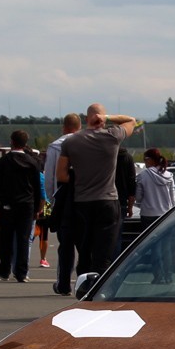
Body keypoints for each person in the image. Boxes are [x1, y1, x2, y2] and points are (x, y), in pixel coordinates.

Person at [56, 104, 138, 288]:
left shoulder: (71, 142)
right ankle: (99, 287)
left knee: (85, 250)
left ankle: (83, 285)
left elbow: (61, 175)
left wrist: (79, 177)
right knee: (104, 252)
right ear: (101, 118)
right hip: (107, 200)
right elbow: (132, 121)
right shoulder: (112, 136)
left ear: (87, 119)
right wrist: (107, 117)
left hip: (82, 201)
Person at [0, 130, 42, 283]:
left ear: (12, 142)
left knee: (5, 239)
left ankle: (4, 270)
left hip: (8, 205)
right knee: (23, 239)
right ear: (25, 143)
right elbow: (37, 187)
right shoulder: (32, 162)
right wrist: (37, 208)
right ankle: (21, 272)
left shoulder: (4, 161)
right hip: (27, 205)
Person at [45, 113, 81, 295]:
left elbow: (50, 176)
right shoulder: (87, 142)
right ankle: (84, 283)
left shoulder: (55, 146)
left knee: (65, 245)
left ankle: (63, 283)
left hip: (63, 199)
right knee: (85, 246)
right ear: (79, 127)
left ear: (64, 127)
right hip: (84, 198)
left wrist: (52, 200)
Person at [135, 148, 175, 283]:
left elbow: (138, 197)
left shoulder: (143, 175)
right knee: (166, 247)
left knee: (154, 247)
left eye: (145, 159)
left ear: (150, 160)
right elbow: (173, 198)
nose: (144, 162)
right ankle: (169, 276)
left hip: (148, 215)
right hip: (166, 214)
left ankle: (158, 276)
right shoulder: (169, 175)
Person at [113, 145, 137, 259]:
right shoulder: (128, 157)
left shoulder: (106, 154)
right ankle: (115, 262)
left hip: (104, 198)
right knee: (117, 236)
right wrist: (130, 207)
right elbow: (132, 181)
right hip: (121, 200)